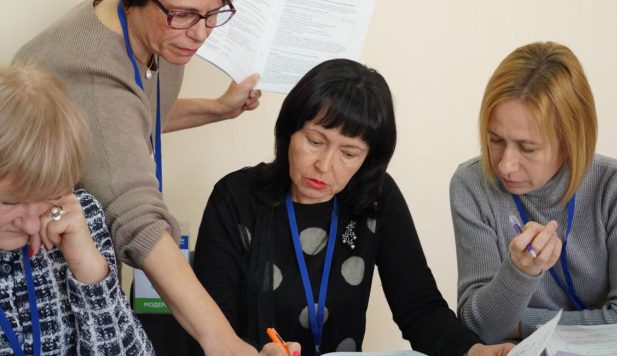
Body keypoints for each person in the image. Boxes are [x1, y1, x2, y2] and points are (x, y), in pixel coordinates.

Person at [13, 0, 265, 354]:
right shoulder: (90, 73)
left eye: (213, 13)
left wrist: (217, 110)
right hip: (40, 269)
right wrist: (223, 341)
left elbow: (127, 120)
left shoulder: (151, 30)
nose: (201, 33)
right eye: (185, 14)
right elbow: (137, 219)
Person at [193, 58, 513, 356]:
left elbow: (419, 308)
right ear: (289, 131)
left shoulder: (376, 197)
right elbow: (209, 323)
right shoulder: (236, 197)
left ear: (368, 159)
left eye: (348, 153)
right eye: (315, 141)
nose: (323, 165)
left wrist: (474, 351)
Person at [450, 42, 617, 344]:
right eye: (495, 140)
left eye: (527, 148)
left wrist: (521, 325)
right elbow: (480, 326)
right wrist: (519, 271)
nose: (505, 165)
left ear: (570, 141)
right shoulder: (472, 185)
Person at [0, 65, 154, 354]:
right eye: (9, 202)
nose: (32, 226)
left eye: (50, 195)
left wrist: (89, 268)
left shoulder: (79, 216)